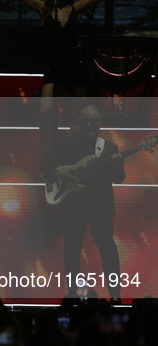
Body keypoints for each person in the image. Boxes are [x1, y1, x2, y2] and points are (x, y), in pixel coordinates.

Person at [42, 105, 124, 304]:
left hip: (101, 208)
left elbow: (119, 178)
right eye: (85, 121)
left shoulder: (110, 148)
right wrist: (58, 174)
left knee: (108, 250)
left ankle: (115, 297)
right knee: (72, 250)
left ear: (99, 124)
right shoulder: (69, 143)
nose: (89, 124)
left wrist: (117, 164)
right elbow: (45, 165)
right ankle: (72, 294)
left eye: (93, 121)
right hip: (74, 207)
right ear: (79, 123)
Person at [21, 0, 104, 157]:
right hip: (53, 68)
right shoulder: (44, 7)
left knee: (75, 115)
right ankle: (49, 156)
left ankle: (74, 155)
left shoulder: (76, 8)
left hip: (74, 65)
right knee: (45, 113)